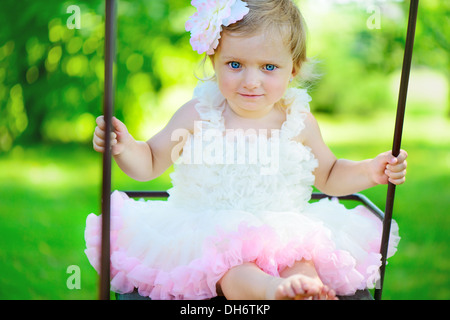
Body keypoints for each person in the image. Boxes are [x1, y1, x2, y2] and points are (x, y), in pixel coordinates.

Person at [85, 0, 407, 300]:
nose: (251, 81)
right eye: (235, 64)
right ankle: (272, 291)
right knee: (230, 268)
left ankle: (305, 289)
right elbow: (150, 162)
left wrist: (369, 170)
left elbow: (331, 174)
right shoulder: (200, 113)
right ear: (214, 61)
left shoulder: (298, 121)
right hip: (210, 232)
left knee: (303, 260)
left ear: (292, 69)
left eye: (269, 67)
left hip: (282, 229)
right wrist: (125, 147)